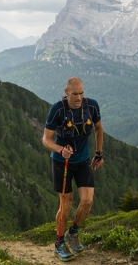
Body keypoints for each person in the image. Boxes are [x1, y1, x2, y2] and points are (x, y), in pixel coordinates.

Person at [42, 76, 104, 262]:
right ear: (66, 92)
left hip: (83, 159)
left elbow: (99, 128)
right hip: (63, 162)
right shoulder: (57, 110)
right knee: (66, 203)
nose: (79, 97)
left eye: (81, 93)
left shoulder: (91, 106)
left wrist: (99, 154)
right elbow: (46, 139)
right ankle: (59, 244)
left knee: (87, 201)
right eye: (75, 93)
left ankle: (73, 232)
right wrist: (60, 150)